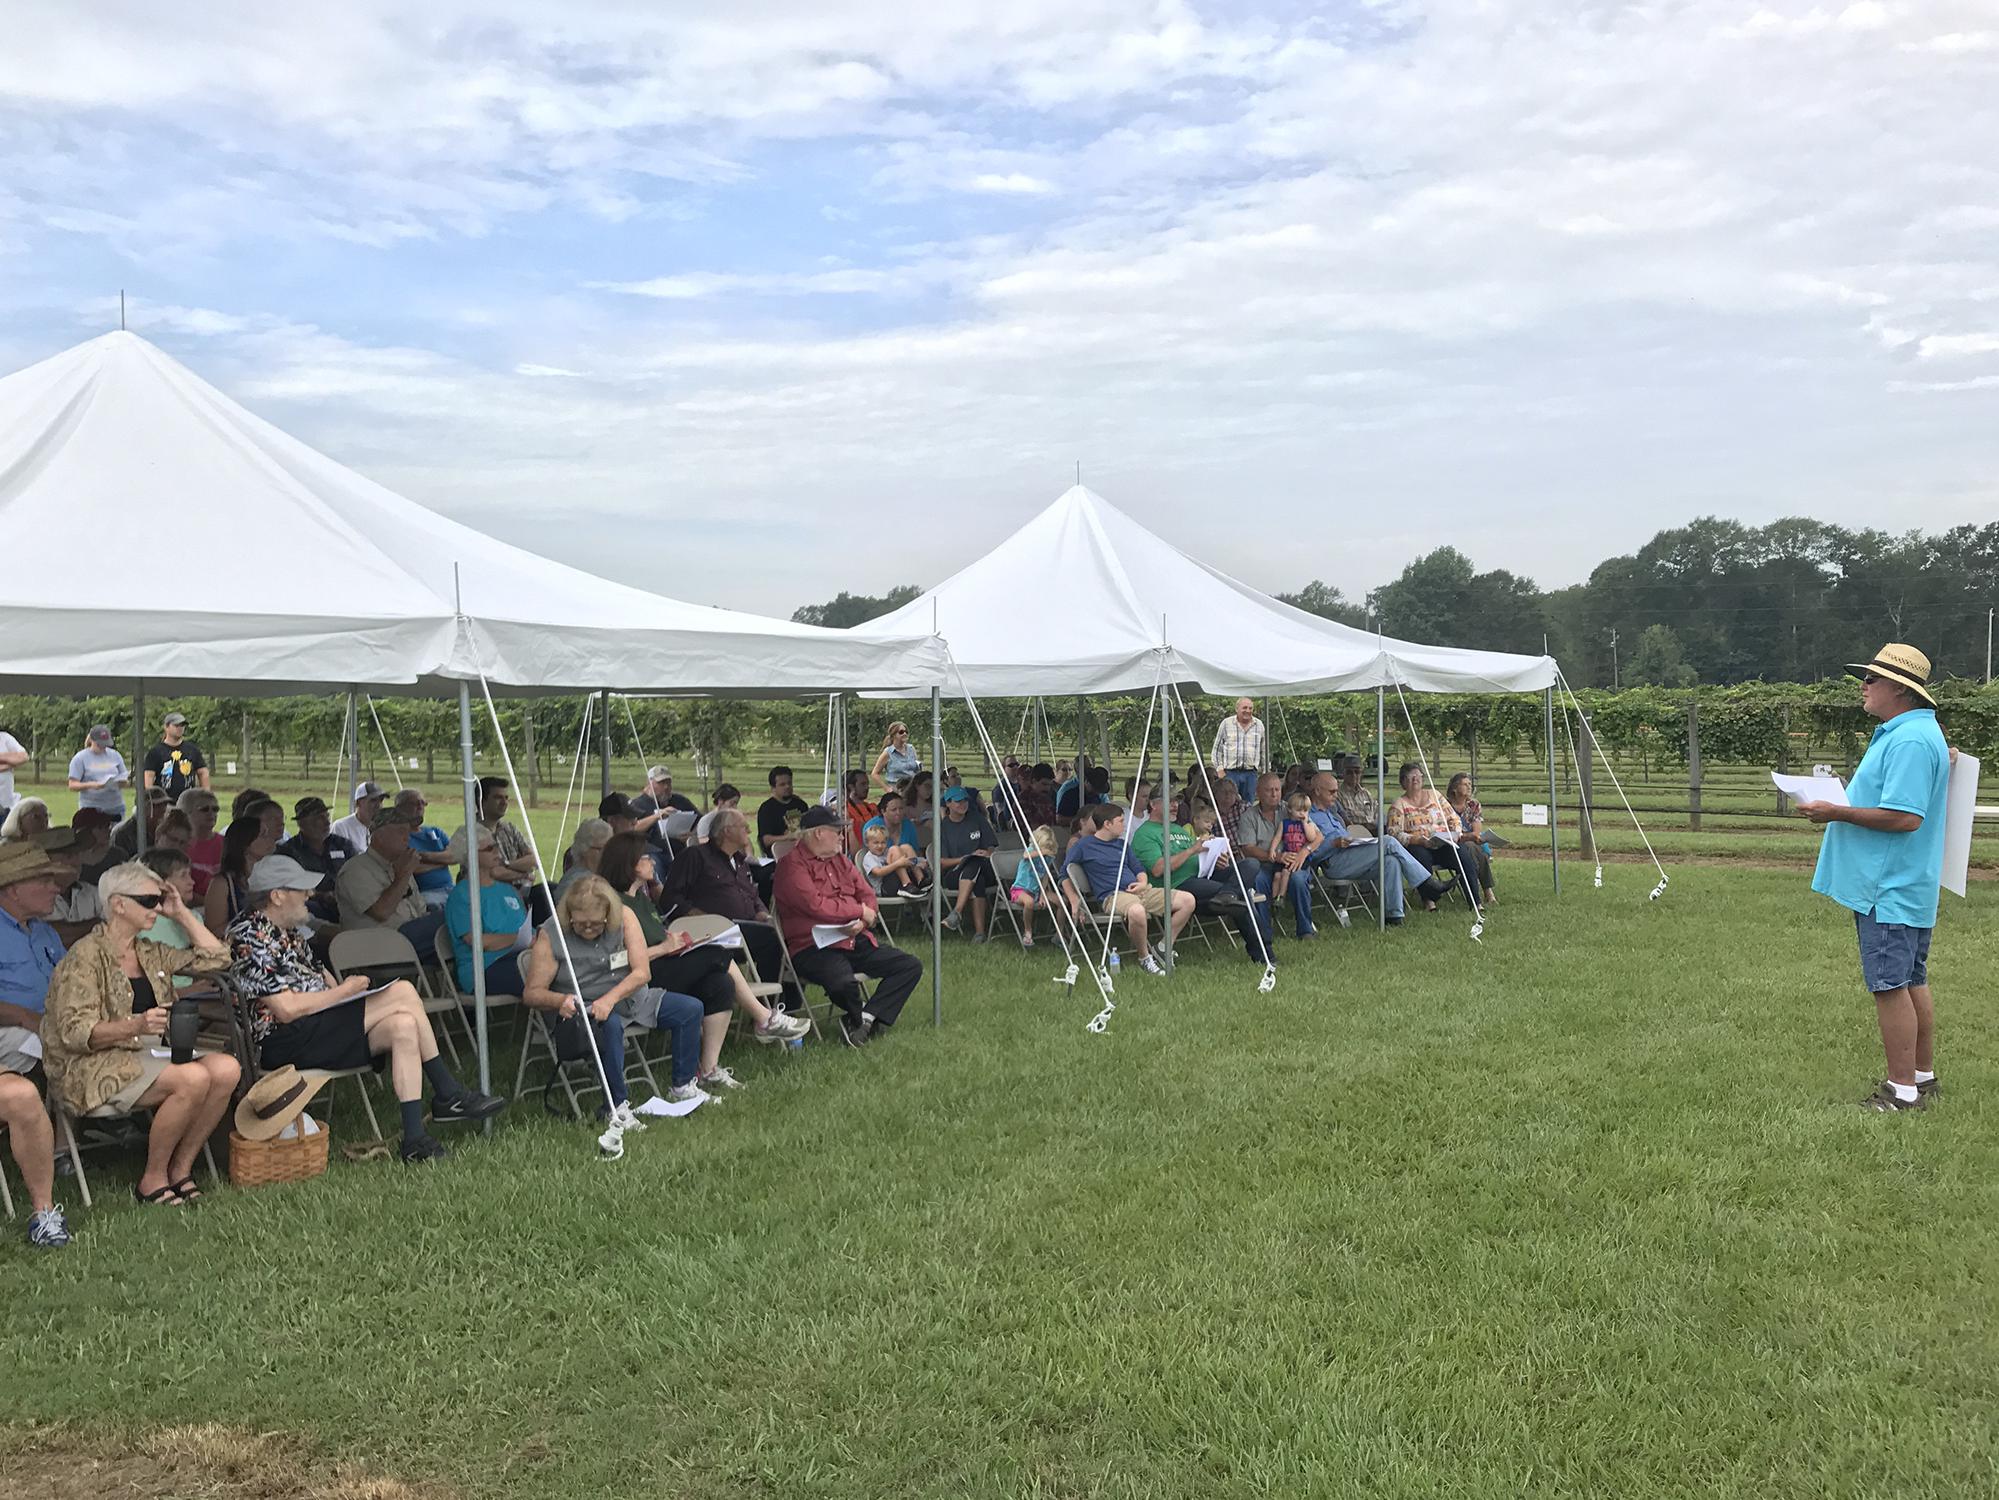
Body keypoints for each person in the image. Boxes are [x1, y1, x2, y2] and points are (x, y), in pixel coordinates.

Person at [229, 854, 504, 1162]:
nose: (309, 895)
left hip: (319, 1027)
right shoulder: (249, 934)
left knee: (403, 1025)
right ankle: (447, 1092)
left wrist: (345, 998)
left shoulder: (288, 930)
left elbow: (320, 977)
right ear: (277, 896)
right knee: (402, 991)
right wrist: (344, 994)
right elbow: (286, 1009)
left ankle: (414, 1140)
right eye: (300, 888)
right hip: (284, 1040)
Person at [1796, 644, 1955, 1113]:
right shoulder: (1915, 733)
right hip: (1908, 883)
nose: (1863, 686)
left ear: (1902, 691)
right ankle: (1921, 1079)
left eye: (1872, 679)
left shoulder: (1907, 740)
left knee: (1889, 986)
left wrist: (1835, 811)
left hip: (1887, 885)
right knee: (1911, 980)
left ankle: (1901, 1091)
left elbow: (1905, 817)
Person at [41, 861, 238, 1206]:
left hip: (147, 1052)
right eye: (149, 901)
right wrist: (135, 1025)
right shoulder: (85, 957)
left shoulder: (148, 950)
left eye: (160, 900)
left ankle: (181, 1168)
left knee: (227, 1070)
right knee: (191, 1078)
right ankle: (152, 1178)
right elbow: (76, 1034)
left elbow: (219, 959)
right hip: (90, 1063)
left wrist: (182, 915)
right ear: (118, 904)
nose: (157, 908)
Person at [599, 832, 807, 1081]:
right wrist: (664, 949)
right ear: (630, 863)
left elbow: (657, 935)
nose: (654, 862)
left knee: (721, 985)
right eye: (647, 858)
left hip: (665, 965)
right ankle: (764, 1018)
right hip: (640, 979)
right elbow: (614, 958)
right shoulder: (613, 905)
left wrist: (678, 942)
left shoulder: (641, 899)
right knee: (717, 955)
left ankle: (709, 1070)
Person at [522, 875, 708, 1113]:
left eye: (596, 923)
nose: (588, 928)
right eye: (580, 923)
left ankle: (683, 1085)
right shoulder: (551, 933)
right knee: (608, 1024)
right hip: (584, 1007)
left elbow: (642, 972)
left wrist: (610, 999)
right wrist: (561, 1000)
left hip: (630, 998)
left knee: (690, 1009)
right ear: (569, 915)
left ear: (609, 915)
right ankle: (616, 1105)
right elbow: (532, 993)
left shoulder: (625, 916)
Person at [773, 807, 922, 1047]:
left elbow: (867, 894)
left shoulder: (841, 860)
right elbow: (816, 906)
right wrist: (858, 911)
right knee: (842, 982)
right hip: (813, 946)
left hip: (853, 938)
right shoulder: (792, 866)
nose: (843, 836)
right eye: (837, 831)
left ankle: (864, 1018)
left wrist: (863, 920)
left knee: (909, 966)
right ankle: (859, 1020)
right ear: (819, 833)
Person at [660, 808, 801, 1013]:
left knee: (789, 933)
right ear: (727, 831)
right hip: (712, 934)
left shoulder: (740, 861)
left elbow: (752, 896)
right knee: (772, 938)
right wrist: (697, 915)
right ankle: (773, 1009)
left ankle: (787, 1004)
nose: (749, 831)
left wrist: (762, 913)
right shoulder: (696, 856)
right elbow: (670, 898)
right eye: (744, 827)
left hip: (744, 929)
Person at [1294, 771, 1447, 931]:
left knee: (1390, 861)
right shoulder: (1307, 816)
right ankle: (1427, 884)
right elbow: (1309, 854)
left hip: (1352, 855)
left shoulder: (1332, 814)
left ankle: (1394, 916)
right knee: (1388, 841)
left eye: (1337, 791)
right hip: (1334, 863)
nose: (1336, 795)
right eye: (1331, 792)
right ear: (1317, 791)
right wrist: (1333, 843)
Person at [1129, 789, 1266, 959]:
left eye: (1176, 801)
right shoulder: (1145, 834)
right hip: (1178, 884)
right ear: (1153, 804)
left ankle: (1227, 895)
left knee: (1250, 865)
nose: (1175, 805)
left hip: (1202, 875)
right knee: (1242, 896)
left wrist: (1215, 861)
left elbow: (1198, 858)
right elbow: (1158, 869)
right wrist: (1193, 849)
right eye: (1169, 801)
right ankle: (1263, 953)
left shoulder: (1178, 829)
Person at [1062, 803, 1196, 974]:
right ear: (1107, 824)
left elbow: (1139, 869)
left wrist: (1142, 882)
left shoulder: (1122, 845)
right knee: (1137, 912)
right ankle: (1145, 958)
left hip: (1141, 890)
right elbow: (1064, 874)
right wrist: (1074, 900)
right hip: (1114, 895)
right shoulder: (1084, 845)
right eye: (1120, 821)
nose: (1124, 825)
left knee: (1188, 900)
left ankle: (1163, 947)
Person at [335, 804, 446, 954]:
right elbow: (382, 912)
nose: (407, 837)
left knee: (455, 917)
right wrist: (404, 875)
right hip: (380, 946)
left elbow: (420, 910)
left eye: (408, 831)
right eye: (401, 831)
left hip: (409, 937)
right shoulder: (355, 870)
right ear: (379, 836)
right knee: (457, 919)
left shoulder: (399, 864)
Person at [443, 826, 532, 998]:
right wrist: (521, 941)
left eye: (496, 845)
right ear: (470, 855)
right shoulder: (461, 895)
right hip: (484, 970)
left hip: (522, 958)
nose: (497, 851)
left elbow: (525, 927)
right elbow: (478, 942)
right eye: (490, 848)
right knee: (545, 971)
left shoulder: (509, 890)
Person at [1386, 764, 1460, 910]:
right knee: (1420, 854)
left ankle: (1475, 900)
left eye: (1418, 775)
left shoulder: (1435, 795)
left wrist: (1456, 833)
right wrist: (1417, 840)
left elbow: (1454, 818)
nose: (1415, 779)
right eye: (1410, 776)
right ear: (1403, 782)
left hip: (1443, 841)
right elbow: (1393, 833)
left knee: (1462, 852)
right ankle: (1429, 901)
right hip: (1417, 844)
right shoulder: (1398, 805)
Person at [936, 786, 999, 941]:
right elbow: (941, 862)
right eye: (958, 801)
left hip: (984, 867)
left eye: (965, 800)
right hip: (954, 873)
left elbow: (992, 846)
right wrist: (965, 858)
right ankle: (979, 933)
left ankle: (957, 912)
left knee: (976, 863)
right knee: (975, 874)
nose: (963, 804)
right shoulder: (943, 828)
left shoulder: (977, 818)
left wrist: (988, 853)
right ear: (948, 804)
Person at [202, 813, 278, 934]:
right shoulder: (222, 884)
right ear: (246, 843)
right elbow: (213, 931)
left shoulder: (274, 876)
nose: (271, 839)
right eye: (263, 835)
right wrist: (252, 916)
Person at [276, 796, 357, 908]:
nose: (327, 822)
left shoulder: (342, 844)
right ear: (302, 824)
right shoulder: (289, 851)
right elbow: (287, 888)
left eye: (327, 816)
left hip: (347, 904)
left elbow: (357, 874)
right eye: (319, 818)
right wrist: (321, 896)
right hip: (309, 909)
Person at [1007, 826, 1076, 950]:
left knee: (1062, 902)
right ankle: (1028, 932)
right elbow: (1025, 856)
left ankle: (1059, 934)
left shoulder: (1048, 858)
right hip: (1020, 890)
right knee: (1029, 902)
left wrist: (1043, 895)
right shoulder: (1031, 850)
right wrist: (1041, 852)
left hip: (1037, 891)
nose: (1047, 849)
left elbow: (1045, 877)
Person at [391, 789, 456, 911]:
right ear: (400, 808)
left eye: (423, 803)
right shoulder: (398, 837)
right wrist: (442, 861)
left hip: (450, 888)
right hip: (425, 893)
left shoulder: (435, 831)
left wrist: (424, 856)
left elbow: (454, 856)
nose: (420, 807)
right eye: (415, 803)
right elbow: (412, 868)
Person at [42, 828, 104, 945]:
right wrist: (97, 923)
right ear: (46, 861)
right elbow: (48, 935)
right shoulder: (32, 898)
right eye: (69, 856)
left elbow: (116, 926)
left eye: (78, 855)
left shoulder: (92, 892)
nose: (77, 862)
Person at [1443, 773, 1496, 905]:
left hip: (1470, 843)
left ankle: (1478, 891)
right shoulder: (1444, 806)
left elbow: (1476, 832)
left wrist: (1466, 836)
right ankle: (1487, 892)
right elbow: (1445, 831)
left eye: (1470, 784)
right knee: (1476, 851)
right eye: (1465, 784)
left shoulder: (1473, 805)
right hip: (1451, 844)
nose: (1469, 787)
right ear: (1454, 789)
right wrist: (1466, 836)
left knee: (1473, 848)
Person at [1269, 791, 1322, 911]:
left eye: (1305, 811)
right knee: (1277, 875)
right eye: (1299, 811)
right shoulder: (1285, 823)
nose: (1302, 814)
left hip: (1300, 858)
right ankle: (1274, 899)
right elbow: (1277, 837)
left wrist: (1304, 823)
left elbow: (1312, 838)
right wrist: (1272, 850)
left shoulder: (1309, 825)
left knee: (1286, 873)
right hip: (1287, 854)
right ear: (1290, 810)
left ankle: (1281, 897)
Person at [1211, 698, 1268, 805]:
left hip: (1250, 774)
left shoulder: (1259, 725)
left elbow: (1263, 751)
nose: (1248, 711)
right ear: (1237, 709)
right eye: (1244, 708)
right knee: (1229, 804)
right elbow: (1216, 750)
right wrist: (1219, 770)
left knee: (1249, 805)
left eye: (1250, 708)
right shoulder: (1226, 724)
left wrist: (1265, 774)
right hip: (1230, 773)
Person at [141, 711, 210, 800]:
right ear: (166, 727)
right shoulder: (156, 752)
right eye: (176, 725)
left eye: (182, 725)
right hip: (164, 802)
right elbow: (148, 776)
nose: (180, 728)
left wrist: (206, 796)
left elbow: (203, 772)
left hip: (188, 801)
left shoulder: (192, 750)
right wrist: (151, 799)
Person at [67, 724, 129, 820]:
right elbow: (72, 785)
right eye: (99, 744)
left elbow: (124, 777)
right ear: (92, 740)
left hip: (115, 807)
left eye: (105, 744)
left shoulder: (115, 755)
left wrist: (121, 782)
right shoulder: (80, 758)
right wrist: (91, 785)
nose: (103, 747)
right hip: (92, 808)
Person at [860, 821, 924, 900]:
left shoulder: (886, 852)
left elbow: (902, 860)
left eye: (883, 842)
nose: (880, 846)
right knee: (894, 849)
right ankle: (906, 885)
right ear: (867, 843)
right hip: (885, 889)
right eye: (876, 843)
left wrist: (920, 862)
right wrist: (898, 864)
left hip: (897, 881)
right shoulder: (869, 858)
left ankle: (920, 879)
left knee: (905, 847)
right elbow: (878, 872)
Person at [554, 818, 612, 905]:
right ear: (584, 849)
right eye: (601, 849)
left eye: (609, 848)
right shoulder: (575, 883)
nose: (607, 854)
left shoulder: (602, 876)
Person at [178, 788, 223, 899]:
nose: (211, 813)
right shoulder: (179, 845)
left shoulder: (227, 843)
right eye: (204, 809)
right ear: (186, 812)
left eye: (215, 809)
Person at [756, 766, 810, 856]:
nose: (787, 787)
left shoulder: (801, 805)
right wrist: (788, 837)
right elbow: (766, 840)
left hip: (802, 853)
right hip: (778, 856)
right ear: (773, 788)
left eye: (789, 783)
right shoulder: (766, 809)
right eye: (782, 784)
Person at [108, 786, 171, 860]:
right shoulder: (123, 833)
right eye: (157, 806)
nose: (163, 809)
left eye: (165, 804)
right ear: (143, 806)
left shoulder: (167, 830)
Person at [331, 781, 386, 853]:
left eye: (381, 800)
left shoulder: (383, 829)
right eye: (373, 800)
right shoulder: (341, 827)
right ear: (358, 803)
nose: (378, 805)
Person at [1333, 755, 1382, 835]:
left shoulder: (1366, 793)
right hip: (1354, 833)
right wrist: (1363, 826)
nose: (1354, 775)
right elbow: (1343, 820)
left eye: (1357, 772)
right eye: (1349, 772)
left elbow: (1377, 811)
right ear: (1343, 774)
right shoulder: (1338, 795)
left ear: (1361, 773)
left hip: (1374, 831)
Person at [871, 721, 922, 791]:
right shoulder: (888, 753)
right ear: (893, 735)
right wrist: (887, 789)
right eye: (901, 732)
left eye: (906, 732)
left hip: (912, 790)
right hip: (897, 791)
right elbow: (874, 774)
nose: (904, 734)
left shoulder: (911, 749)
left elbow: (917, 769)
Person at [841, 770, 878, 850]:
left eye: (867, 784)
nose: (867, 787)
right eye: (863, 784)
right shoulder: (844, 810)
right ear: (851, 787)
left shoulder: (872, 807)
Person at [0, 720, 27, 826]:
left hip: (7, 807)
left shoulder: (5, 738)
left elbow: (23, 757)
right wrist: (10, 761)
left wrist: (3, 759)